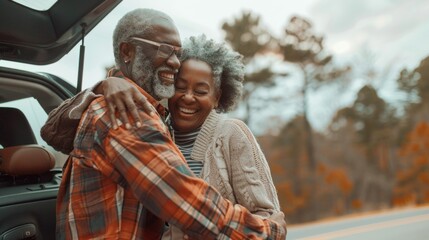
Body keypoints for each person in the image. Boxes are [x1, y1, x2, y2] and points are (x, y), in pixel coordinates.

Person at [42, 8, 286, 239]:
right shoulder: (124, 113)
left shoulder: (140, 112)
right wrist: (267, 232)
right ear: (127, 52)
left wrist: (105, 84)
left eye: (177, 53)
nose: (175, 62)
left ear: (217, 97)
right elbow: (185, 200)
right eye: (165, 50)